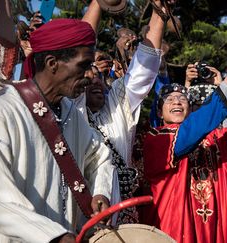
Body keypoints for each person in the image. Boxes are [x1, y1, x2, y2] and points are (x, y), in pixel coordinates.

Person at [0, 18, 115, 243]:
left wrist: (101, 191)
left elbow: (100, 156)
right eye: (84, 65)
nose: (90, 75)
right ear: (52, 62)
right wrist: (54, 236)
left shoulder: (72, 114)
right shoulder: (2, 109)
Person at [143, 45, 227, 243]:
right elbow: (189, 134)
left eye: (182, 98)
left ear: (190, 109)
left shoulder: (212, 138)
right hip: (174, 233)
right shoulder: (156, 138)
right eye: (170, 99)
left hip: (214, 233)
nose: (177, 102)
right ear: (159, 113)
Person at [75, 0, 169, 224]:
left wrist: (159, 15)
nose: (95, 79)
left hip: (123, 219)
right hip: (77, 219)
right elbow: (75, 53)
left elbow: (143, 69)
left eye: (99, 75)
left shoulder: (116, 107)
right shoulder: (72, 109)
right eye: (89, 73)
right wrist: (98, 4)